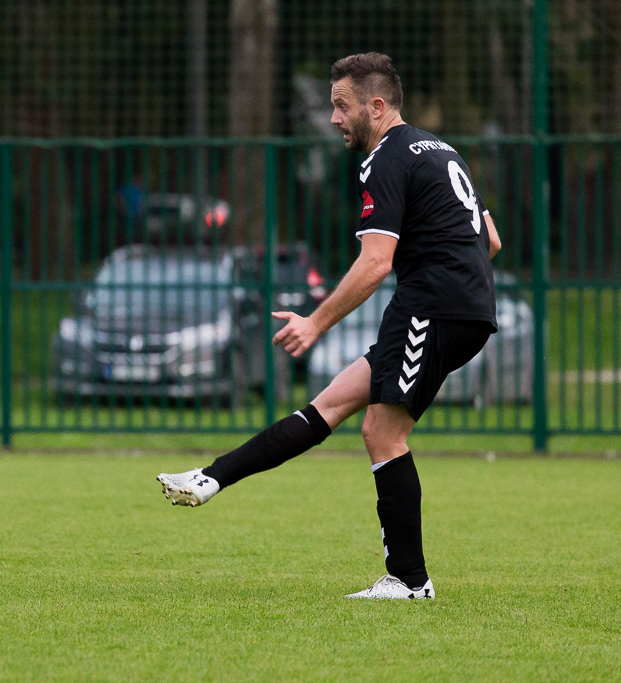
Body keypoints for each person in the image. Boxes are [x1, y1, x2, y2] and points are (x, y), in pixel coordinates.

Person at [156, 52, 502, 600]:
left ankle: (409, 580)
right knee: (330, 406)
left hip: (431, 308)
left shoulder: (386, 158)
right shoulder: (439, 149)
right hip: (452, 306)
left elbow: (375, 262)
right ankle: (210, 478)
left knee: (382, 434)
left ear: (377, 106)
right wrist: (455, 273)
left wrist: (316, 322)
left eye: (342, 106)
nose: (335, 118)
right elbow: (491, 241)